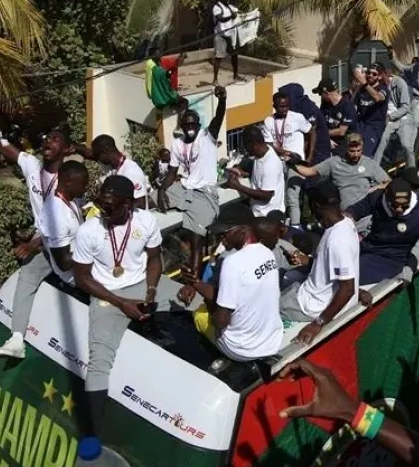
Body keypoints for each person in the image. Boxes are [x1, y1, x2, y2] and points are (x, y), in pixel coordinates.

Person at [72, 175, 182, 433]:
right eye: (101, 204)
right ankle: (93, 434)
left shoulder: (146, 220)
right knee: (99, 361)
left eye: (110, 206)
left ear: (128, 205)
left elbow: (155, 259)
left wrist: (152, 289)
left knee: (198, 298)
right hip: (107, 295)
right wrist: (120, 302)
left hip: (145, 285)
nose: (103, 211)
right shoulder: (89, 230)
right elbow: (81, 278)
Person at [0, 113, 72, 360]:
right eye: (47, 138)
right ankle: (16, 340)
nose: (48, 141)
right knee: (25, 279)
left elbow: (63, 225)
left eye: (55, 139)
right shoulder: (33, 166)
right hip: (41, 241)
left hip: (67, 246)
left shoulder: (70, 179)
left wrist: (34, 243)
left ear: (65, 149)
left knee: (78, 283)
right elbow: (3, 147)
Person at [0, 161, 89, 359]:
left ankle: (17, 338)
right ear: (69, 182)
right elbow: (63, 261)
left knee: (28, 272)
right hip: (74, 267)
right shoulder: (56, 213)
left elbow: (46, 235)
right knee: (28, 275)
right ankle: (17, 339)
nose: (86, 187)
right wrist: (94, 249)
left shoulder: (67, 197)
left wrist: (32, 245)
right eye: (83, 183)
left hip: (61, 252)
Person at [157, 86, 227, 278]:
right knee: (156, 195)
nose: (190, 128)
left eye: (193, 125)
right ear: (182, 126)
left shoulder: (207, 137)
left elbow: (218, 119)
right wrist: (162, 191)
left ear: (198, 126)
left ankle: (194, 280)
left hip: (205, 193)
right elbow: (172, 173)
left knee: (196, 240)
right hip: (186, 188)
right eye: (186, 125)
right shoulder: (177, 144)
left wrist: (222, 101)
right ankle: (188, 209)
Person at [278, 182, 359, 346]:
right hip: (316, 293)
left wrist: (318, 323)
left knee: (269, 305)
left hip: (312, 305)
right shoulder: (347, 223)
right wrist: (307, 261)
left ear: (316, 205)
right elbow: (343, 269)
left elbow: (347, 288)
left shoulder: (337, 240)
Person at [202, 214, 284, 362]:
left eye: (224, 233)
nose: (221, 239)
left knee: (199, 317)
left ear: (243, 230)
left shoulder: (232, 262)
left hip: (243, 350)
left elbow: (221, 321)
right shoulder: (267, 252)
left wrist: (209, 306)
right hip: (273, 340)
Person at [290, 133, 390, 210]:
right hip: (344, 211)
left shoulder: (369, 163)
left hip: (365, 210)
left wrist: (378, 187)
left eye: (358, 150)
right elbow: (310, 171)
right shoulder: (333, 162)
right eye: (352, 151)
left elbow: (389, 182)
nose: (356, 154)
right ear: (346, 148)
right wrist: (291, 163)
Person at [263, 92, 313, 225]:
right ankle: (282, 224)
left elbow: (311, 131)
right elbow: (268, 145)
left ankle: (296, 227)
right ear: (274, 106)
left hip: (295, 163)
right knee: (280, 197)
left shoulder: (297, 117)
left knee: (292, 196)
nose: (284, 109)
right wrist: (285, 152)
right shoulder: (268, 121)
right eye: (281, 106)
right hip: (277, 163)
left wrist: (309, 155)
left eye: (286, 106)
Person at [224, 126, 286, 217]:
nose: (245, 150)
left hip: (268, 218)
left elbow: (266, 196)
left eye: (246, 146)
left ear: (254, 144)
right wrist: (242, 173)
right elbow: (261, 176)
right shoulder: (261, 154)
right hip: (257, 212)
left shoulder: (271, 164)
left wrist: (238, 186)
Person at [83, 135, 148, 209]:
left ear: (104, 153)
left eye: (98, 156)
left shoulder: (131, 171)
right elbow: (90, 155)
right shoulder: (111, 168)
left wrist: (112, 212)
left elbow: (140, 204)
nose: (98, 159)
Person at [277, 83, 330, 165]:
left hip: (318, 153)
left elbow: (310, 134)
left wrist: (307, 157)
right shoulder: (295, 108)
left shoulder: (308, 108)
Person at [375, 63, 415, 166]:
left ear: (386, 74)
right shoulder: (376, 86)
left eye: (380, 76)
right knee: (382, 141)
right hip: (387, 119)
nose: (378, 79)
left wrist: (390, 117)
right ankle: (374, 170)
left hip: (401, 116)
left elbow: (405, 106)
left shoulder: (399, 83)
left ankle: (412, 170)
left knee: (406, 145)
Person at [350, 63, 390, 158]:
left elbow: (377, 97)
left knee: (365, 156)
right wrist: (358, 86)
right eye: (369, 73)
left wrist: (365, 83)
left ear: (379, 76)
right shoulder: (362, 89)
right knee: (352, 153)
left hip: (374, 128)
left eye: (374, 74)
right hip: (360, 125)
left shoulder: (383, 89)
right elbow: (352, 105)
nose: (370, 75)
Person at [315, 78, 357, 152]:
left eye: (320, 94)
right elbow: (320, 122)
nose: (320, 96)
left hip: (345, 142)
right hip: (329, 139)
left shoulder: (347, 106)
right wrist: (326, 138)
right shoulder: (325, 104)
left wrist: (322, 133)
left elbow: (341, 131)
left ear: (327, 93)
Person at [211, 0, 241, 84]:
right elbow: (221, 19)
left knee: (234, 55)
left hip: (230, 34)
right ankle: (215, 80)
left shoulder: (230, 7)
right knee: (219, 57)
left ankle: (236, 75)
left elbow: (238, 13)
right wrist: (231, 17)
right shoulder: (216, 7)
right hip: (220, 35)